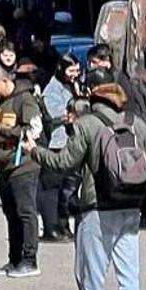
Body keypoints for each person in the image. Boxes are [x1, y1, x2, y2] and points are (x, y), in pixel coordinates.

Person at [31, 81, 146, 290]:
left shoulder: (87, 124)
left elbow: (64, 163)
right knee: (129, 279)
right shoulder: (137, 124)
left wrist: (35, 151)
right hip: (131, 208)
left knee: (93, 278)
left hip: (97, 208)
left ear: (94, 102)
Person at [0, 64, 46, 278]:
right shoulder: (1, 102)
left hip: (23, 166)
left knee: (25, 212)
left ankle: (29, 260)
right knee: (11, 214)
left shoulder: (25, 99)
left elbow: (34, 129)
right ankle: (15, 258)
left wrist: (3, 131)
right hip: (4, 167)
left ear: (4, 80)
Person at [39, 55, 84, 241]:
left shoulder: (73, 86)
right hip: (56, 143)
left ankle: (63, 225)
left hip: (71, 142)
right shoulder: (52, 90)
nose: (75, 74)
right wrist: (72, 114)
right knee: (53, 187)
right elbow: (55, 115)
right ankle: (52, 227)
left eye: (77, 70)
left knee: (68, 188)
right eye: (71, 70)